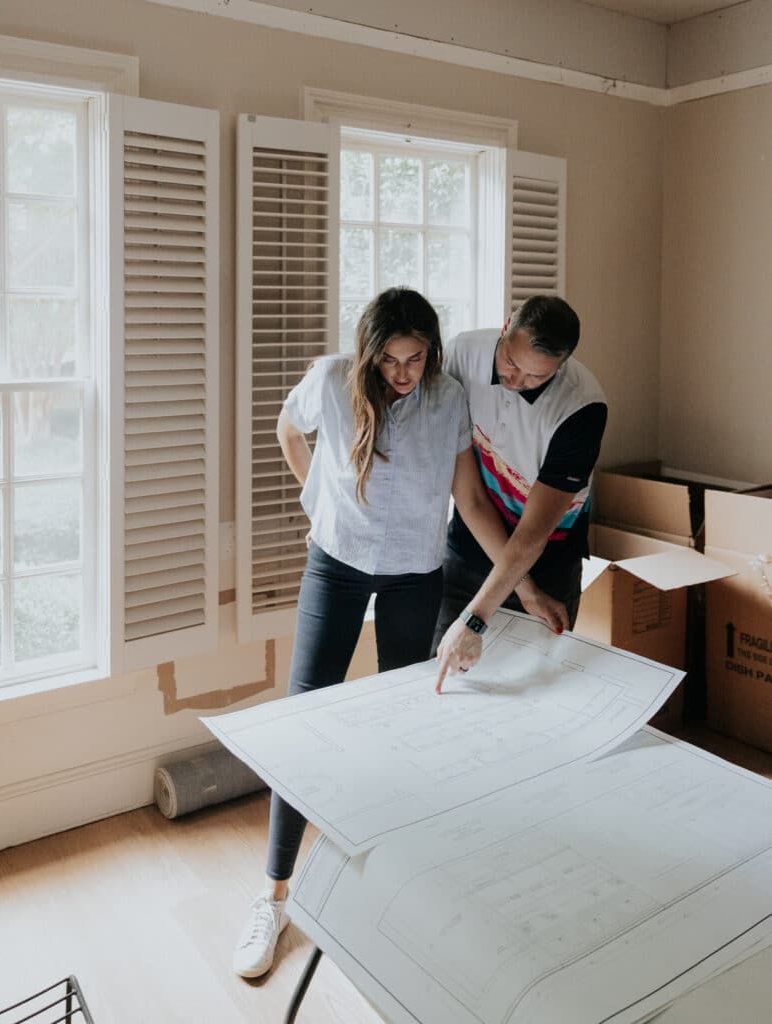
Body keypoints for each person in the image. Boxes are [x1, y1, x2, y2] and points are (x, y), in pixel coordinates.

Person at [232, 288, 565, 980]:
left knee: (399, 723)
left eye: (415, 359)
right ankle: (273, 895)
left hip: (416, 572)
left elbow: (469, 500)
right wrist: (314, 501)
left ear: (432, 355)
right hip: (337, 564)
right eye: (389, 359)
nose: (403, 373)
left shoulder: (447, 401)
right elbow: (286, 429)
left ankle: (384, 882)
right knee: (304, 721)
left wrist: (523, 585)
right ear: (368, 351)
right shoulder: (329, 379)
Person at [433, 295, 608, 692]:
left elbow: (532, 534)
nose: (515, 382)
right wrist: (507, 598)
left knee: (534, 691)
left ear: (561, 367)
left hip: (548, 557)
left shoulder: (583, 408)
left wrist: (495, 609)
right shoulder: (462, 354)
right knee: (446, 675)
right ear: (506, 325)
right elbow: (470, 495)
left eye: (535, 378)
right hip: (470, 541)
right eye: (511, 363)